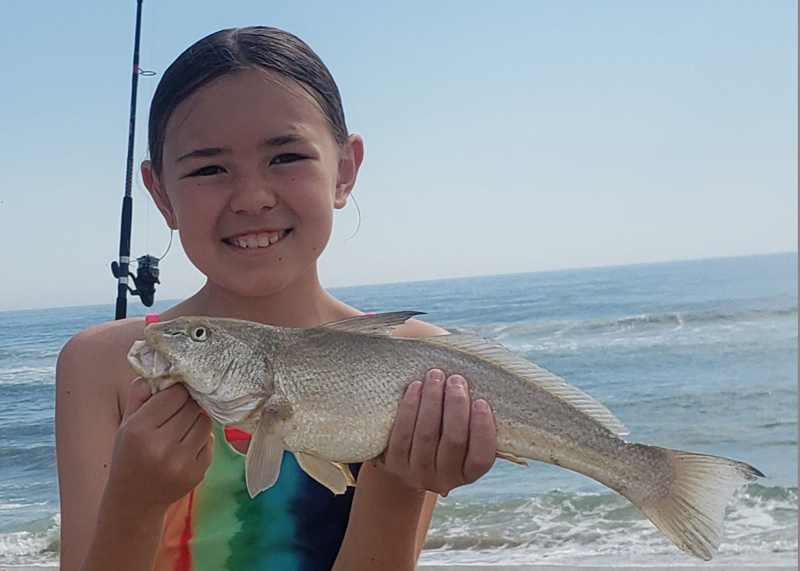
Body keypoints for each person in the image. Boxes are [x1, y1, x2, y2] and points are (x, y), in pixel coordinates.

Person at [55, 26, 497, 571]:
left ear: (345, 169)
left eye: (285, 157)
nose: (253, 198)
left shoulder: (418, 363)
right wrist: (135, 502)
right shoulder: (101, 366)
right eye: (209, 168)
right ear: (161, 194)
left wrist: (401, 482)